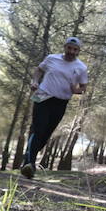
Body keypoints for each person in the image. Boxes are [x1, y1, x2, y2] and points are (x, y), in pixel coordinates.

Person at [20, 37, 88, 178]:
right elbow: (38, 70)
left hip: (61, 102)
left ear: (78, 51)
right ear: (65, 47)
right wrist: (34, 81)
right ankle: (29, 164)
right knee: (38, 128)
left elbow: (83, 88)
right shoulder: (52, 58)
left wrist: (75, 90)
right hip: (43, 96)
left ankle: (28, 155)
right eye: (69, 48)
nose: (71, 51)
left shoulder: (81, 67)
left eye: (75, 49)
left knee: (46, 134)